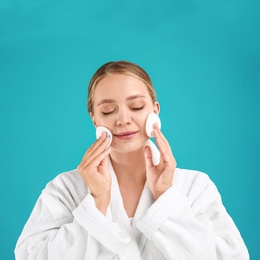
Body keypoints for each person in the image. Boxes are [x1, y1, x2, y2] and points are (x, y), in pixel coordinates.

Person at [15, 60, 249, 259]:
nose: (123, 119)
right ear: (94, 119)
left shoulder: (195, 187)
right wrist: (96, 203)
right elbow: (30, 255)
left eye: (136, 106)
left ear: (155, 111)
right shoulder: (65, 189)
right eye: (108, 111)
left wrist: (167, 197)